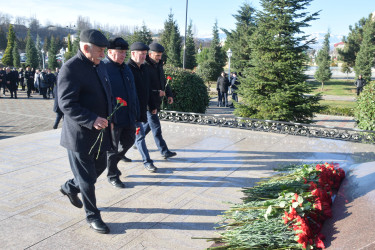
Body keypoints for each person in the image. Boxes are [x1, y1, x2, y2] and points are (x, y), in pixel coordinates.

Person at [58, 29, 112, 234]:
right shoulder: (70, 68)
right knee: (88, 179)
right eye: (100, 50)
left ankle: (70, 187)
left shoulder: (100, 66)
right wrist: (91, 119)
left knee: (99, 167)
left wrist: (110, 118)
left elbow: (106, 93)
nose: (103, 54)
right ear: (86, 47)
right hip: (79, 135)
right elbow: (67, 104)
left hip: (100, 131)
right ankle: (92, 216)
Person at [103, 37, 139, 188]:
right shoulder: (103, 67)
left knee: (129, 141)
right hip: (114, 117)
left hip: (128, 114)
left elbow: (133, 91)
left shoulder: (126, 68)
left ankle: (113, 163)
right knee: (112, 147)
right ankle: (112, 175)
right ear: (110, 52)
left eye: (125, 52)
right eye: (120, 52)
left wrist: (136, 111)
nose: (123, 55)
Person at [127, 42, 158, 172]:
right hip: (129, 111)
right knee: (125, 138)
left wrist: (152, 105)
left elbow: (148, 89)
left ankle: (147, 161)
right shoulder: (126, 69)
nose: (144, 57)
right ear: (133, 54)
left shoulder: (145, 69)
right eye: (142, 54)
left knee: (139, 136)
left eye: (145, 54)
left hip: (140, 111)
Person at [143, 42, 177, 159]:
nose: (159, 58)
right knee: (156, 127)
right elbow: (144, 88)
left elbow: (163, 82)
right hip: (149, 102)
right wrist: (157, 92)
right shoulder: (145, 67)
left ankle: (137, 140)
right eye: (157, 55)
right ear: (150, 54)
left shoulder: (159, 65)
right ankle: (164, 150)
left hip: (157, 101)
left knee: (148, 125)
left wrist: (169, 95)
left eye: (160, 55)